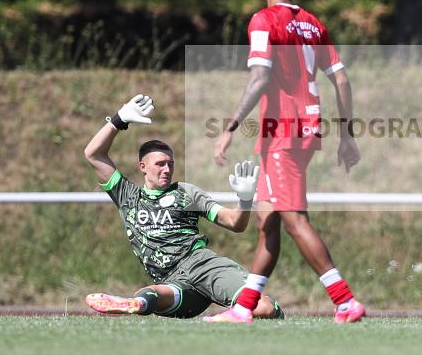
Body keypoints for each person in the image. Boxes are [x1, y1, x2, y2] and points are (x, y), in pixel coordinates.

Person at [205, 0, 365, 324]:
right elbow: (340, 78)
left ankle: (344, 301)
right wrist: (347, 135)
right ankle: (243, 308)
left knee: (294, 219)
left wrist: (229, 128)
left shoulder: (263, 21)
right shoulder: (313, 23)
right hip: (307, 130)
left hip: (283, 135)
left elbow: (260, 78)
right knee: (269, 223)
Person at [83, 94, 282, 319]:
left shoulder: (186, 193)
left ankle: (229, 316)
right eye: (160, 164)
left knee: (265, 309)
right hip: (173, 282)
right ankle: (132, 304)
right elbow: (93, 154)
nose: (167, 169)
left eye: (171, 164)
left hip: (203, 266)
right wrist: (119, 120)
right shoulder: (127, 196)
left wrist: (245, 199)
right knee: (150, 295)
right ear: (143, 167)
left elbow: (235, 223)